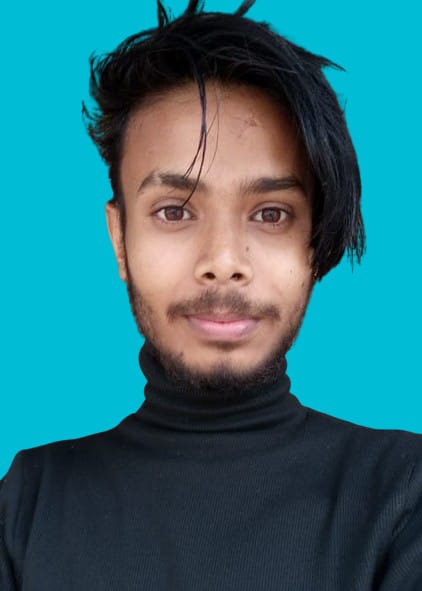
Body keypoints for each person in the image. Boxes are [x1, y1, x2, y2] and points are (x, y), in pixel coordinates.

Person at [1, 0, 421, 589]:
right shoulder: (28, 503)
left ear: (314, 239)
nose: (223, 263)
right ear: (120, 239)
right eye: (174, 211)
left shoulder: (402, 494)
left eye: (271, 213)